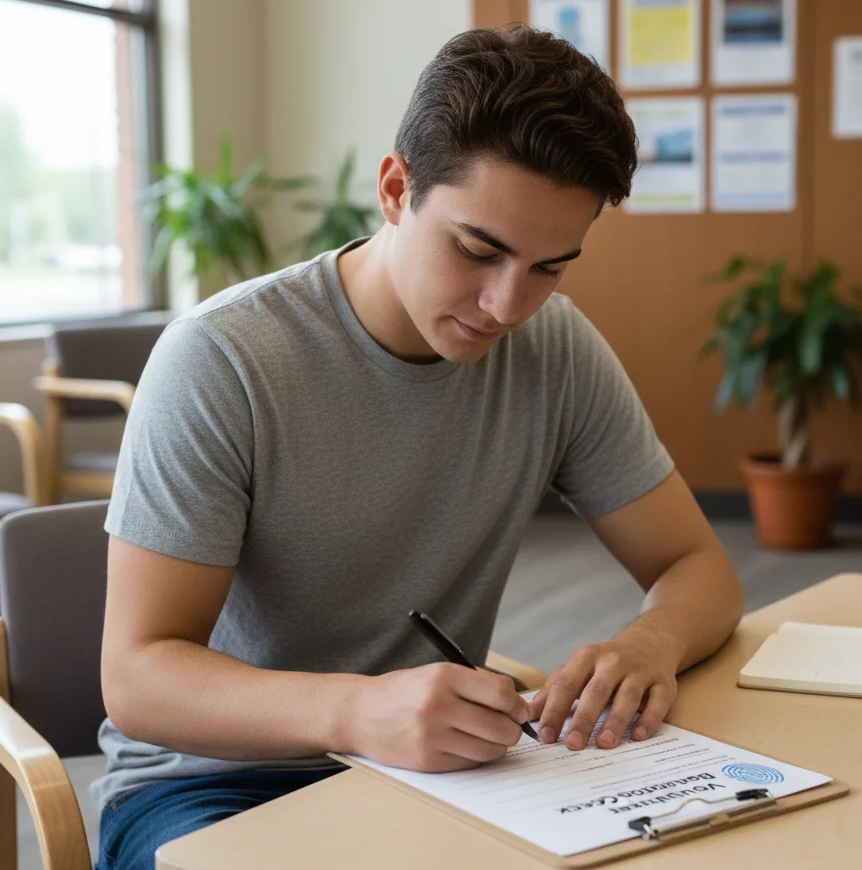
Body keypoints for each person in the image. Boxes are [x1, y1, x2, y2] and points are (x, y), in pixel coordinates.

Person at [93, 23, 744, 870]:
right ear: (397, 189)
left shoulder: (556, 349)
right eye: (479, 250)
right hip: (209, 783)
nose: (507, 304)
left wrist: (647, 644)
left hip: (447, 771)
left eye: (551, 268)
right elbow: (138, 678)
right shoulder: (224, 359)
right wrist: (358, 714)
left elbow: (699, 567)